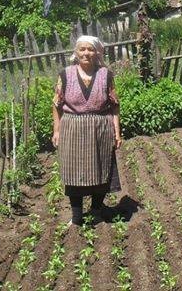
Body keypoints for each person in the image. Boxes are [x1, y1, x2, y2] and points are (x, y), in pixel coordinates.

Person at [52, 35, 123, 226]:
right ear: (76, 52)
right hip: (72, 128)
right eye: (82, 49)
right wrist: (56, 131)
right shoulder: (65, 74)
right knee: (74, 172)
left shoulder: (106, 74)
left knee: (100, 170)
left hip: (100, 128)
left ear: (97, 52)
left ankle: (97, 213)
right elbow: (57, 104)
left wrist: (117, 132)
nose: (86, 53)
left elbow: (115, 106)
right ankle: (76, 217)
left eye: (90, 49)